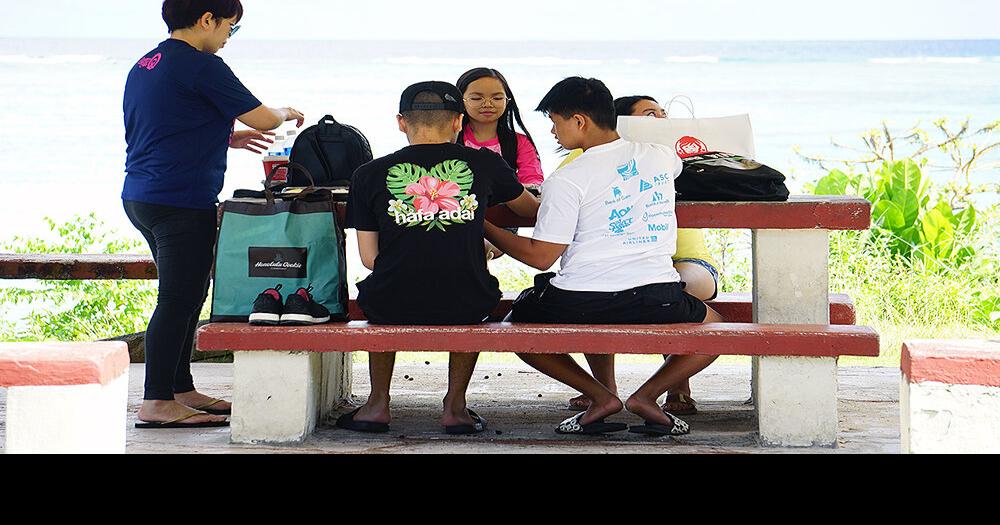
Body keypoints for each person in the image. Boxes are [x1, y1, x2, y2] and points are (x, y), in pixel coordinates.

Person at [483, 77, 725, 436]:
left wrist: (484, 226)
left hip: (578, 301)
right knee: (717, 328)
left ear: (579, 121)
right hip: (656, 296)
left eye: (555, 120)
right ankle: (647, 396)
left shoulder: (567, 179)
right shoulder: (660, 157)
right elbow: (672, 165)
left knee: (514, 329)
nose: (552, 131)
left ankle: (601, 396)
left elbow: (542, 257)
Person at [124, 0, 305, 428]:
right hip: (180, 201)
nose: (227, 38)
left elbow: (162, 122)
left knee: (188, 292)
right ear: (207, 19)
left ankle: (179, 387)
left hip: (143, 196)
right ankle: (156, 402)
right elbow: (264, 117)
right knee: (177, 298)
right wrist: (287, 112)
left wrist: (226, 135)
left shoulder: (147, 63)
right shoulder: (204, 65)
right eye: (230, 27)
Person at [339, 81, 539, 434]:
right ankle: (455, 407)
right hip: (466, 302)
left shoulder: (368, 174)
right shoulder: (484, 163)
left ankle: (377, 405)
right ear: (458, 122)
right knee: (468, 284)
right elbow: (531, 209)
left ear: (402, 122)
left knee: (383, 285)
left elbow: (370, 258)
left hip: (391, 302)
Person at [563, 95, 721, 416]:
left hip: (686, 263)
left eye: (664, 113)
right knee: (603, 288)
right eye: (651, 114)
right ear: (622, 124)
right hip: (617, 262)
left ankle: (676, 384)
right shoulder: (585, 158)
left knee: (672, 289)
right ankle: (605, 387)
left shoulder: (682, 157)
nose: (662, 118)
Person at [456, 67, 544, 186]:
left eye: (497, 98)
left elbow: (533, 182)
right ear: (461, 101)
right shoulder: (450, 140)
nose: (487, 104)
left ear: (507, 101)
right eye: (477, 98)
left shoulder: (520, 143)